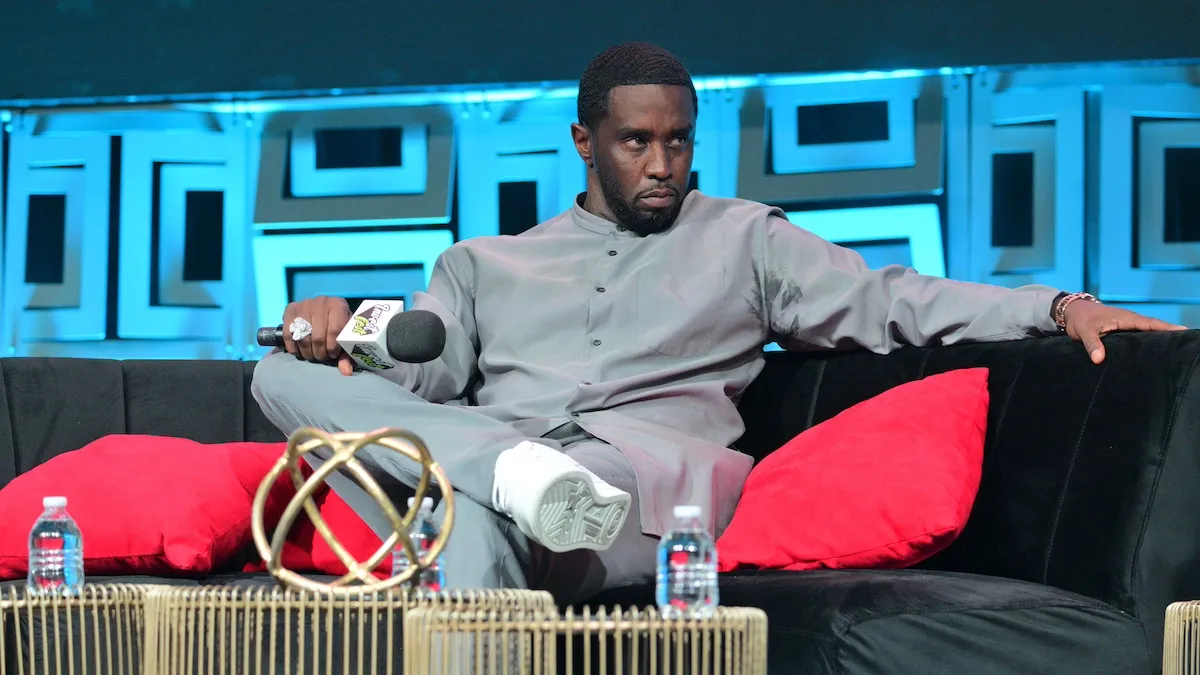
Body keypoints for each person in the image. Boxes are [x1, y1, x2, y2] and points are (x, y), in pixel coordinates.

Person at [251, 42, 1186, 604]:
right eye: (635, 141)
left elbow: (897, 299)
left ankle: (483, 499)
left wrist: (1060, 305)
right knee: (275, 378)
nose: (662, 164)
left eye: (678, 139)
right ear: (584, 142)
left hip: (635, 496)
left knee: (459, 524)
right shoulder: (482, 264)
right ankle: (502, 479)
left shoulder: (747, 241)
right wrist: (330, 334)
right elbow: (421, 374)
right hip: (495, 457)